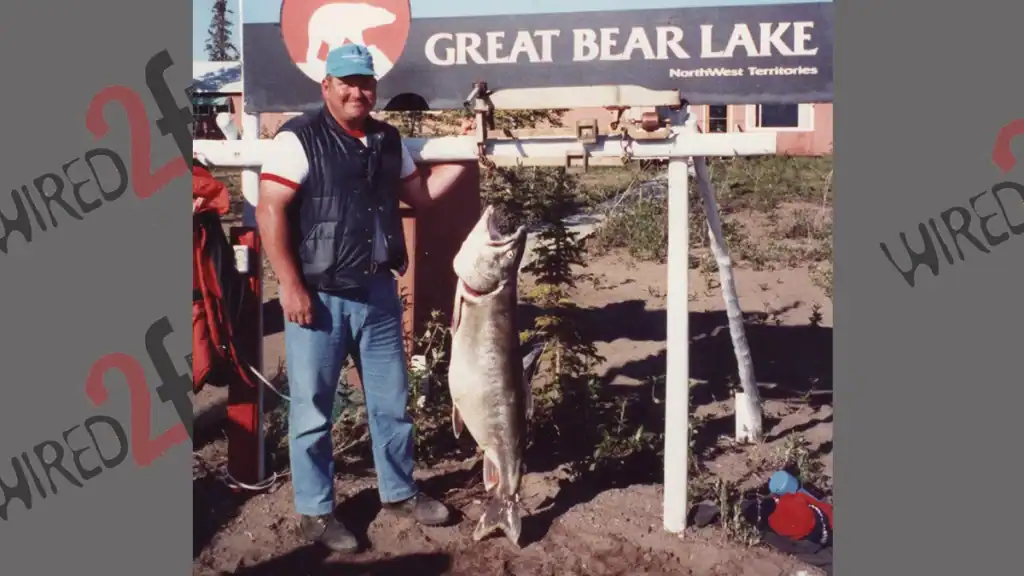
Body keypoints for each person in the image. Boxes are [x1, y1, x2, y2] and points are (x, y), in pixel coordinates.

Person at [255, 44, 470, 554]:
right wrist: (290, 285)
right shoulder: (298, 138)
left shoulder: (387, 139)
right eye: (347, 82)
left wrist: (466, 152)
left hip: (377, 293)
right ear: (326, 85)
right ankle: (315, 510)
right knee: (312, 410)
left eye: (366, 82)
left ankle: (399, 492)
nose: (358, 91)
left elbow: (421, 195)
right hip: (319, 296)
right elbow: (269, 211)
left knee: (392, 403)